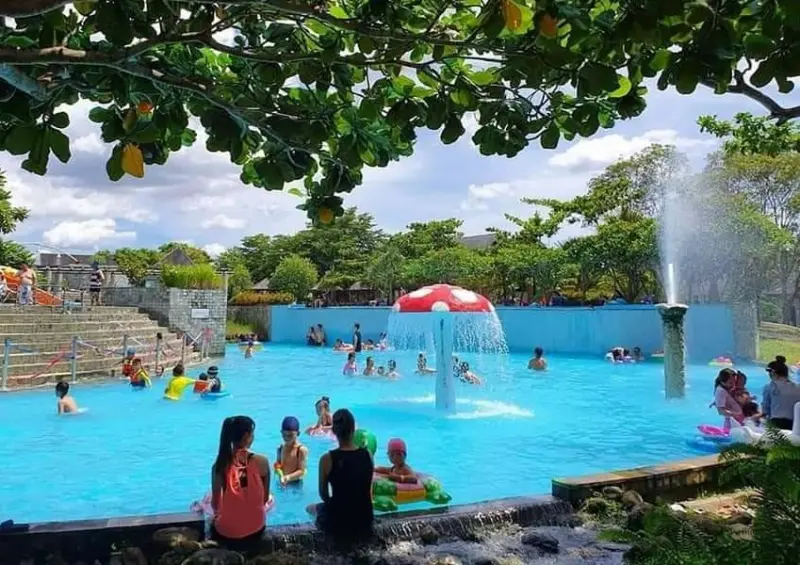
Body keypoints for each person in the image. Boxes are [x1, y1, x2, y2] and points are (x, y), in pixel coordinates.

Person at [309, 409, 374, 545]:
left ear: (334, 431)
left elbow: (324, 494)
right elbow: (368, 490)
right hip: (364, 517)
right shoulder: (368, 455)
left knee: (311, 508)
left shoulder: (327, 459)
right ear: (353, 430)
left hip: (340, 520)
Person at [210, 416, 270, 550]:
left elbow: (215, 505)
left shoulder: (219, 466)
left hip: (228, 533)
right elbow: (265, 499)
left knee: (212, 523)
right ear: (247, 436)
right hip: (256, 527)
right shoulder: (263, 461)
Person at [762, 356, 800, 430]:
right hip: (796, 425)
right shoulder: (797, 387)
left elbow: (765, 410)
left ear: (773, 373)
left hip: (777, 424)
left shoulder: (770, 387)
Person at [275, 417, 308, 486]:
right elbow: (278, 464)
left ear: (298, 433)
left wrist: (287, 478)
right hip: (282, 481)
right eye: (284, 435)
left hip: (295, 483)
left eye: (290, 435)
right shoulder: (280, 448)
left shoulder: (301, 450)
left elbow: (301, 471)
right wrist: (278, 470)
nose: (287, 438)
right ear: (281, 432)